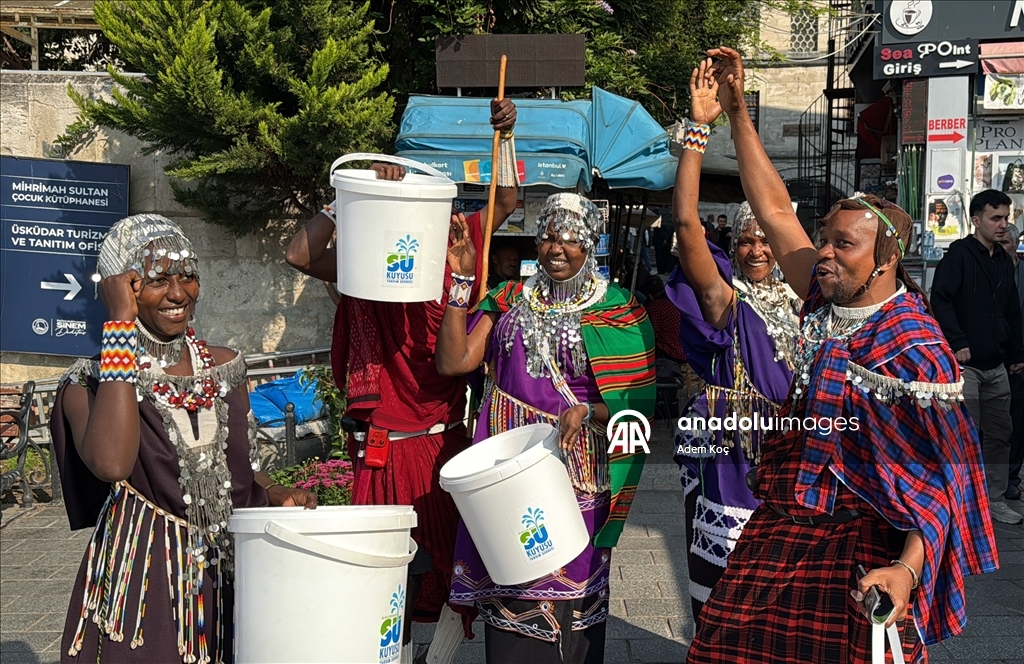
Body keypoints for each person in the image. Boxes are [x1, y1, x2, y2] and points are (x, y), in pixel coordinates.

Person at [686, 46, 999, 663]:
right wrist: (737, 113)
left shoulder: (912, 346)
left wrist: (906, 573)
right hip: (779, 527)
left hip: (861, 550)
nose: (823, 253)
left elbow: (943, 480)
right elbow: (775, 210)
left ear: (885, 259)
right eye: (823, 240)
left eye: (843, 245)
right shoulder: (824, 299)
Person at [285, 98, 520, 663]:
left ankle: (433, 659)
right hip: (377, 450)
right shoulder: (364, 259)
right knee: (386, 572)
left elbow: (506, 199)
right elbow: (298, 252)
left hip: (438, 441)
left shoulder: (456, 241)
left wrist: (506, 137)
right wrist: (347, 199)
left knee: (452, 567)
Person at [51, 214, 317, 663]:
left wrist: (273, 490)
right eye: (155, 280)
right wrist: (119, 324)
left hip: (230, 570)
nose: (178, 293)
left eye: (188, 275)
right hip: (146, 579)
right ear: (124, 286)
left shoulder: (225, 364)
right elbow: (112, 464)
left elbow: (236, 467)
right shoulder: (90, 383)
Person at [435, 193, 656, 664]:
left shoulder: (620, 310)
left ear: (592, 244)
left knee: (574, 608)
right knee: (513, 592)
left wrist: (590, 411)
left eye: (572, 237)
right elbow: (454, 361)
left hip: (578, 477)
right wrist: (462, 280)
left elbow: (638, 411)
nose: (558, 247)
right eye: (550, 235)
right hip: (509, 475)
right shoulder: (508, 298)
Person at [665, 59, 802, 621]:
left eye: (766, 239)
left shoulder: (812, 302)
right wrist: (699, 131)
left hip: (800, 465)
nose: (758, 250)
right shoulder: (727, 303)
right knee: (727, 607)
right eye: (746, 240)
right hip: (732, 463)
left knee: (791, 613)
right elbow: (686, 226)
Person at [931, 188, 1024, 525]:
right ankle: (959, 501)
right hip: (964, 365)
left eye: (1005, 218)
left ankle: (994, 499)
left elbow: (1012, 310)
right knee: (962, 437)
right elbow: (940, 300)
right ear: (976, 219)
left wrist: (1017, 351)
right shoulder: (958, 255)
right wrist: (956, 341)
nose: (1002, 225)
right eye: (995, 218)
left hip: (997, 364)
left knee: (1001, 435)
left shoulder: (1003, 260)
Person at [999, 223, 1024, 501]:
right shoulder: (984, 272)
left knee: (1016, 426)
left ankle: (1011, 478)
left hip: (1019, 365)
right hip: (991, 359)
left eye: (1006, 244)